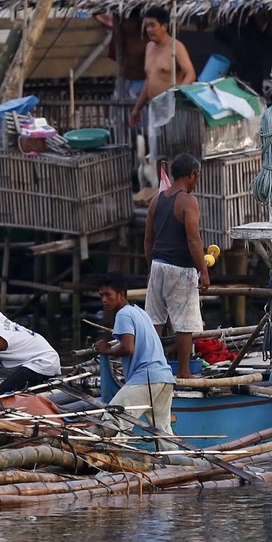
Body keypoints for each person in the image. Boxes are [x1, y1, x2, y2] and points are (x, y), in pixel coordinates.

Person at [144, 152, 209, 378]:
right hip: (180, 269)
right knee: (184, 322)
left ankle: (152, 369)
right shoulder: (187, 201)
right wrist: (204, 271)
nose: (196, 182)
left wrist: (151, 266)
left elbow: (148, 240)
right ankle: (183, 371)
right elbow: (193, 240)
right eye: (196, 177)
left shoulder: (156, 200)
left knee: (155, 319)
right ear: (192, 174)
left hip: (158, 265)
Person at [95, 274, 176, 437]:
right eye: (101, 296)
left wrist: (105, 350)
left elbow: (127, 348)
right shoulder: (139, 312)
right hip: (164, 377)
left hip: (146, 377)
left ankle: (109, 459)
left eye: (108, 295)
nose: (104, 300)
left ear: (121, 294)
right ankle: (176, 460)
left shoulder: (123, 314)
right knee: (162, 430)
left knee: (115, 419)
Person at [129, 5, 196, 127]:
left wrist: (178, 96)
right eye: (147, 26)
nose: (149, 30)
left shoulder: (176, 47)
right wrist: (137, 109)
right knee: (155, 145)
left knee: (174, 144)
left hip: (172, 109)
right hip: (154, 108)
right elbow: (150, 80)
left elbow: (190, 73)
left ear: (164, 26)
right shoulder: (149, 48)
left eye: (152, 25)